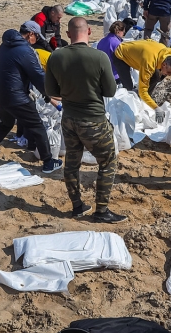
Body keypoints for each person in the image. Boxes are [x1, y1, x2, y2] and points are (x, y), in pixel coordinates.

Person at [45, 17, 125, 223]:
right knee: (107, 162)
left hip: (69, 119)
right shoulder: (99, 57)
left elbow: (51, 91)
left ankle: (77, 206)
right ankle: (102, 210)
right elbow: (110, 90)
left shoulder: (56, 56)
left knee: (72, 163)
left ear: (69, 34)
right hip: (94, 120)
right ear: (89, 32)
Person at [0, 21, 63, 173]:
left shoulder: (5, 45)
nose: (37, 40)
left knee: (6, 123)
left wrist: (47, 97)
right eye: (36, 36)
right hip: (16, 97)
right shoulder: (25, 50)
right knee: (38, 127)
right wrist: (52, 93)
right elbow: (38, 76)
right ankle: (48, 162)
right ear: (30, 34)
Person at [113, 39, 171, 118]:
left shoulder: (165, 52)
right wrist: (156, 108)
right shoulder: (149, 64)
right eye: (168, 72)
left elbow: (150, 41)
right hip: (120, 55)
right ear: (164, 65)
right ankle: (129, 112)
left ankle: (146, 100)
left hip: (136, 52)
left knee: (156, 76)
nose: (168, 75)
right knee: (129, 88)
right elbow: (142, 91)